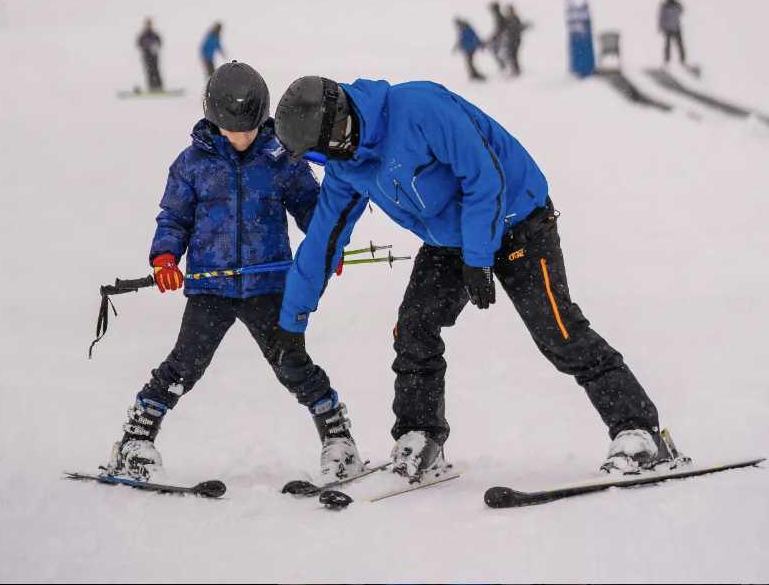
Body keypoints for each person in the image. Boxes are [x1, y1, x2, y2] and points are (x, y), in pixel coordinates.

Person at [268, 76, 669, 482]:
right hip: (451, 242)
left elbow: (483, 177)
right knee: (414, 329)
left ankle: (639, 431)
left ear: (335, 127)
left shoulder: (419, 108)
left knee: (558, 331)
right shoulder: (346, 167)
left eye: (320, 152)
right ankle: (421, 435)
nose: (325, 162)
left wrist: (479, 258)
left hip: (518, 221)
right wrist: (291, 322)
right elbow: (323, 239)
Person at [106, 62, 364, 483]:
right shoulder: (191, 165)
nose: (241, 138)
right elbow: (173, 218)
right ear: (212, 119)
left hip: (268, 286)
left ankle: (338, 439)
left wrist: (326, 247)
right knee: (184, 365)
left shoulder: (281, 159)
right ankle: (135, 440)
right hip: (211, 289)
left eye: (248, 129)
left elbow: (313, 210)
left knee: (292, 364)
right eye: (231, 130)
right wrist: (166, 259)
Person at [658, 0, 685, 65]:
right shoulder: (665, 5)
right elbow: (661, 17)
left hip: (676, 27)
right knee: (667, 45)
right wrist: (661, 27)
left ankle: (682, 60)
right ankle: (667, 60)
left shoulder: (676, 4)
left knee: (679, 44)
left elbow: (681, 10)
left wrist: (676, 4)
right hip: (668, 28)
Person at [136, 18, 163, 92]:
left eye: (150, 24)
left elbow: (160, 42)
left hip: (154, 55)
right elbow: (139, 43)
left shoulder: (154, 34)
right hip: (146, 55)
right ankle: (151, 86)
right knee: (149, 70)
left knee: (156, 69)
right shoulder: (143, 35)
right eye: (147, 24)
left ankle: (159, 86)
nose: (149, 26)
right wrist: (145, 47)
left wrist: (155, 47)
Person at [502, 4, 528, 77]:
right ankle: (515, 70)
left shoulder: (514, 19)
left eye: (508, 10)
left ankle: (516, 71)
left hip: (515, 40)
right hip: (512, 40)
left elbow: (517, 29)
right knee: (512, 55)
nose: (507, 12)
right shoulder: (510, 19)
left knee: (513, 56)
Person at [486, 1, 508, 71]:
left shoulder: (499, 16)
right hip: (500, 37)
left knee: (497, 51)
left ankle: (503, 66)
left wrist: (493, 37)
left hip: (501, 37)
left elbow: (499, 29)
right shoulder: (498, 16)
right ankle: (503, 65)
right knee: (496, 51)